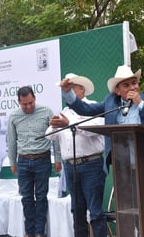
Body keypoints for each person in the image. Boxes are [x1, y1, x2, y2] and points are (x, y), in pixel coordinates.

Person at [60, 65, 144, 237]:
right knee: (137, 221)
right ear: (117, 90)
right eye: (126, 85)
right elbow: (86, 110)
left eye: (134, 83)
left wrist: (140, 104)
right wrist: (69, 93)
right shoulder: (111, 103)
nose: (132, 87)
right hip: (129, 174)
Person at [46, 73, 107, 237]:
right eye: (66, 90)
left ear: (82, 90)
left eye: (71, 88)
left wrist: (69, 123)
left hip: (91, 164)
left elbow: (94, 130)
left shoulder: (95, 106)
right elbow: (49, 136)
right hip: (70, 166)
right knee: (76, 209)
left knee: (95, 210)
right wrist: (54, 125)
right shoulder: (64, 111)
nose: (68, 92)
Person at [7, 86, 62, 237]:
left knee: (42, 197)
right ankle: (29, 232)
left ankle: (39, 233)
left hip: (42, 160)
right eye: (24, 104)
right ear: (18, 102)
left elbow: (55, 137)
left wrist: (57, 159)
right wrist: (12, 162)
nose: (28, 106)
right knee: (26, 198)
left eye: (31, 102)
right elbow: (11, 141)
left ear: (35, 98)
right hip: (23, 162)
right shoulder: (14, 116)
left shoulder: (46, 111)